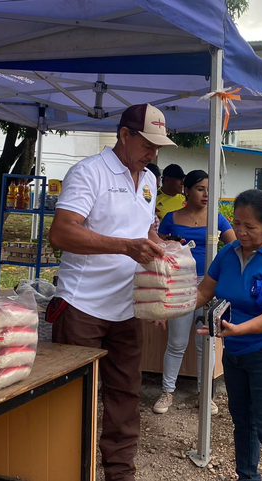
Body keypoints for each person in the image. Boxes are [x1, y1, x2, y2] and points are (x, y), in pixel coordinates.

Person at [47, 103, 176, 481]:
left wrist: (157, 248)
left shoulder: (150, 179)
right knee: (73, 398)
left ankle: (120, 474)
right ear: (124, 135)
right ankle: (68, 470)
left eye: (158, 146)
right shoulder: (89, 172)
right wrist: (125, 246)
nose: (154, 153)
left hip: (127, 307)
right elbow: (62, 233)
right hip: (81, 305)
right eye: (148, 144)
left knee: (124, 397)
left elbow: (143, 230)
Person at [195, 189, 262, 481]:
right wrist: (168, 309)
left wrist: (239, 329)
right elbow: (204, 290)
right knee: (242, 422)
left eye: (249, 226)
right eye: (237, 223)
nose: (240, 231)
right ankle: (247, 477)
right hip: (235, 352)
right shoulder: (228, 253)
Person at [154, 170, 236, 415]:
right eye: (200, 188)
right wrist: (169, 245)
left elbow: (234, 246)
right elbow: (156, 248)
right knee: (177, 341)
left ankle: (205, 394)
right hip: (179, 283)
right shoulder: (172, 217)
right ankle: (167, 391)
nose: (206, 194)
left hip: (208, 285)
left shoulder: (217, 218)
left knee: (206, 343)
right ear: (186, 190)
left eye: (210, 189)